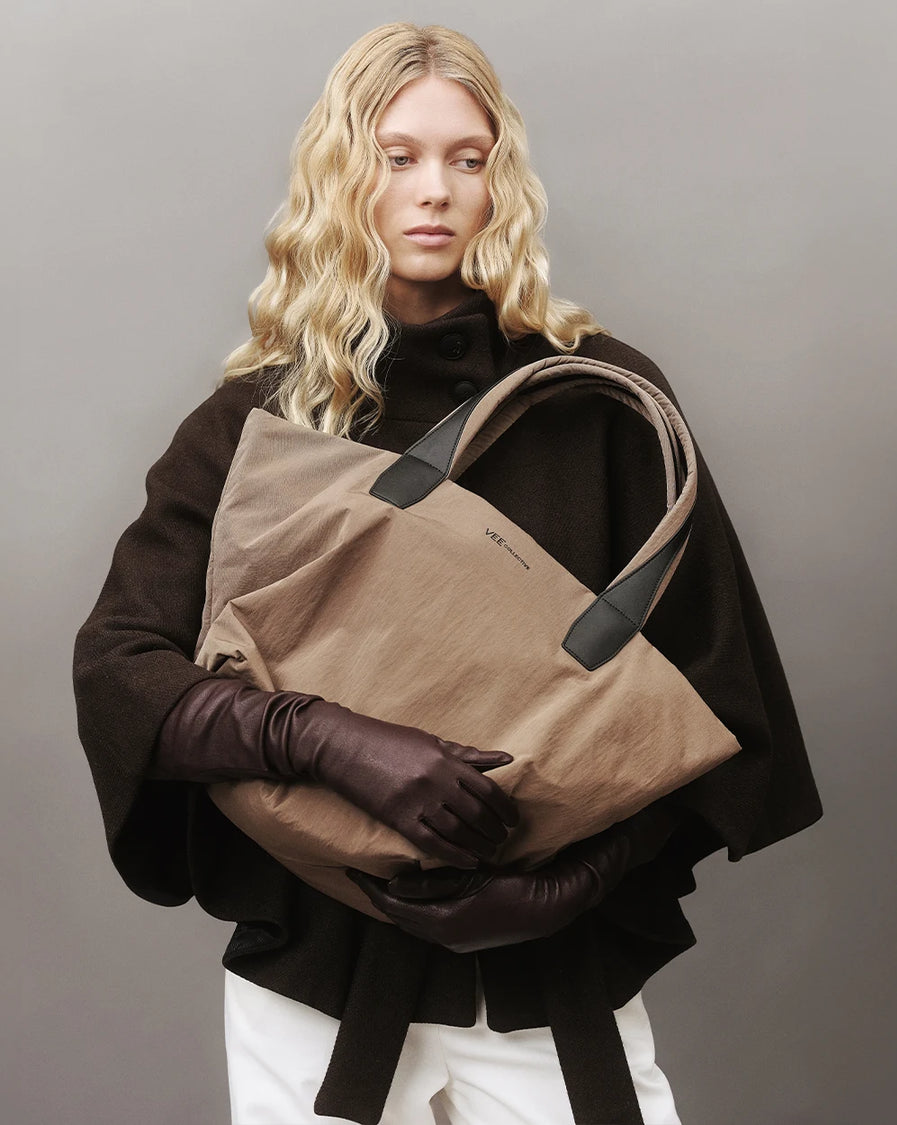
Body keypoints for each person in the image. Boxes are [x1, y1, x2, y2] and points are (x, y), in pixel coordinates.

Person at [72, 21, 823, 1125]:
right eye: (398, 156)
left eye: (467, 159)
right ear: (341, 174)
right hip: (316, 983)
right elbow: (120, 670)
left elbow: (716, 698)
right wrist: (325, 740)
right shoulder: (259, 421)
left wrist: (580, 879)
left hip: (555, 980)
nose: (435, 190)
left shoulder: (598, 401)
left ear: (499, 181)